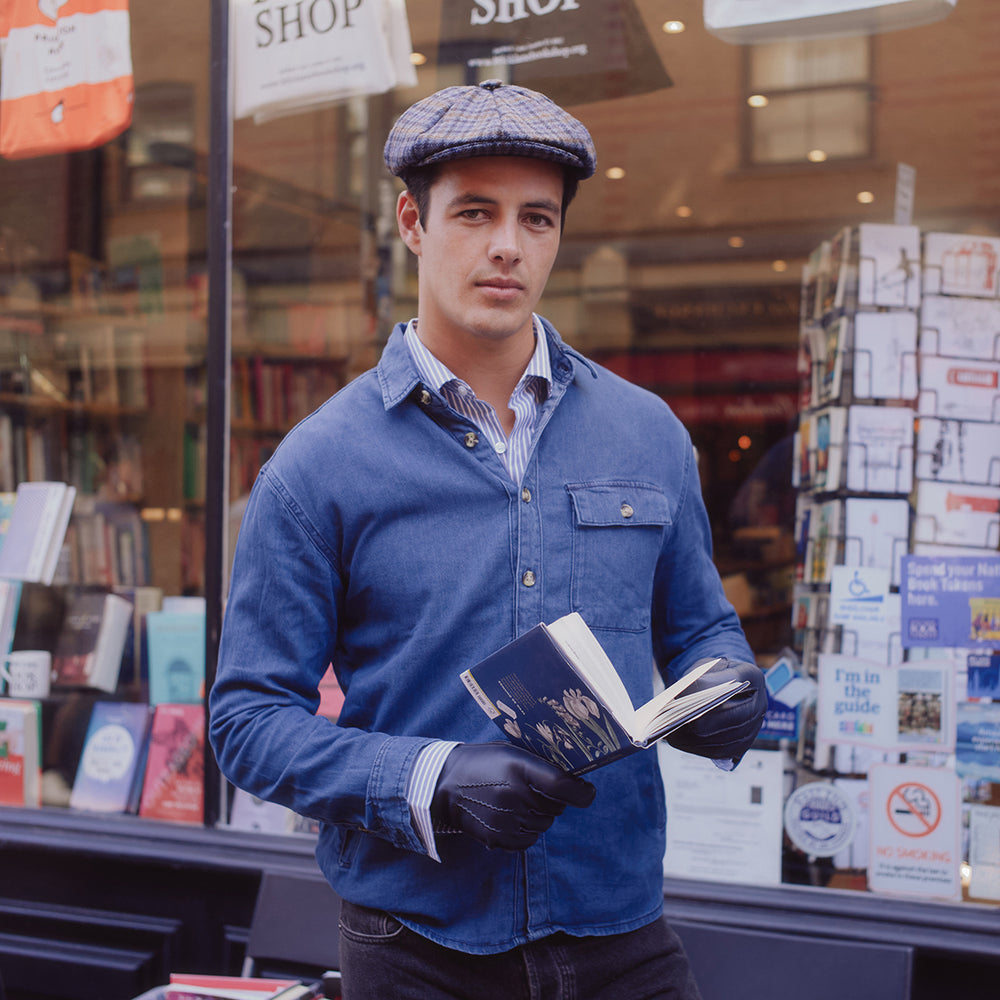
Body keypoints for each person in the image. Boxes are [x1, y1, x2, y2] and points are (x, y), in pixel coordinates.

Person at [209, 80, 767, 999]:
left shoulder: (649, 433)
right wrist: (430, 777)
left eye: (536, 219)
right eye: (475, 212)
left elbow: (702, 630)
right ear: (412, 223)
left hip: (622, 930)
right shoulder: (317, 466)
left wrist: (729, 688)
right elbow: (247, 722)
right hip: (417, 943)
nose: (508, 244)